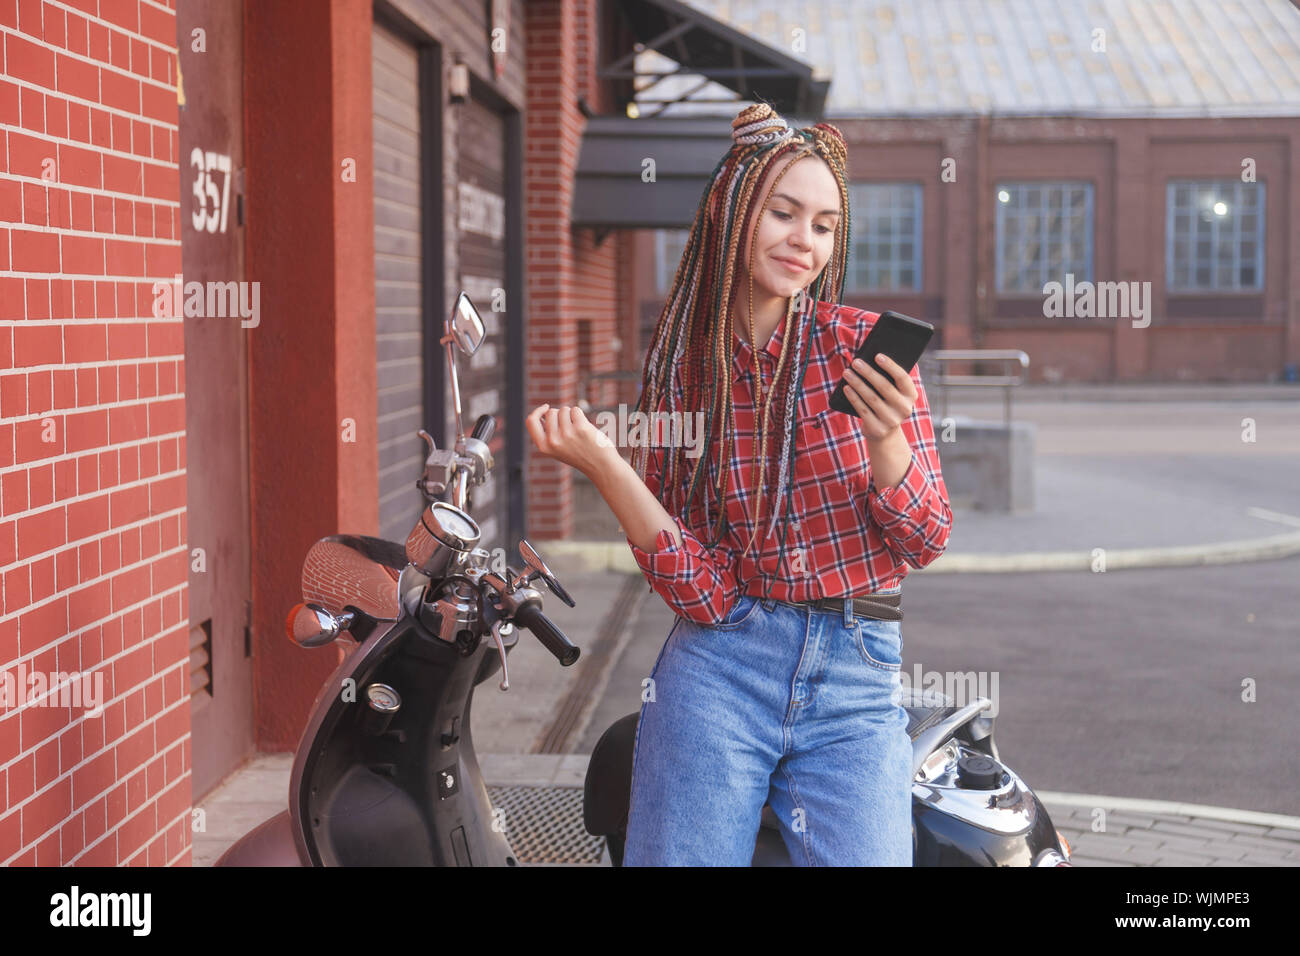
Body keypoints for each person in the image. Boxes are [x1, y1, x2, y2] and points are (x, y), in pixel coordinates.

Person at [524, 103, 952, 866]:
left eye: (823, 224)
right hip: (722, 667)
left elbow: (926, 538)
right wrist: (606, 467)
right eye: (783, 213)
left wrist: (887, 438)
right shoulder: (680, 378)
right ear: (729, 212)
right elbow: (705, 594)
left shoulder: (860, 348)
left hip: (858, 672)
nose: (804, 240)